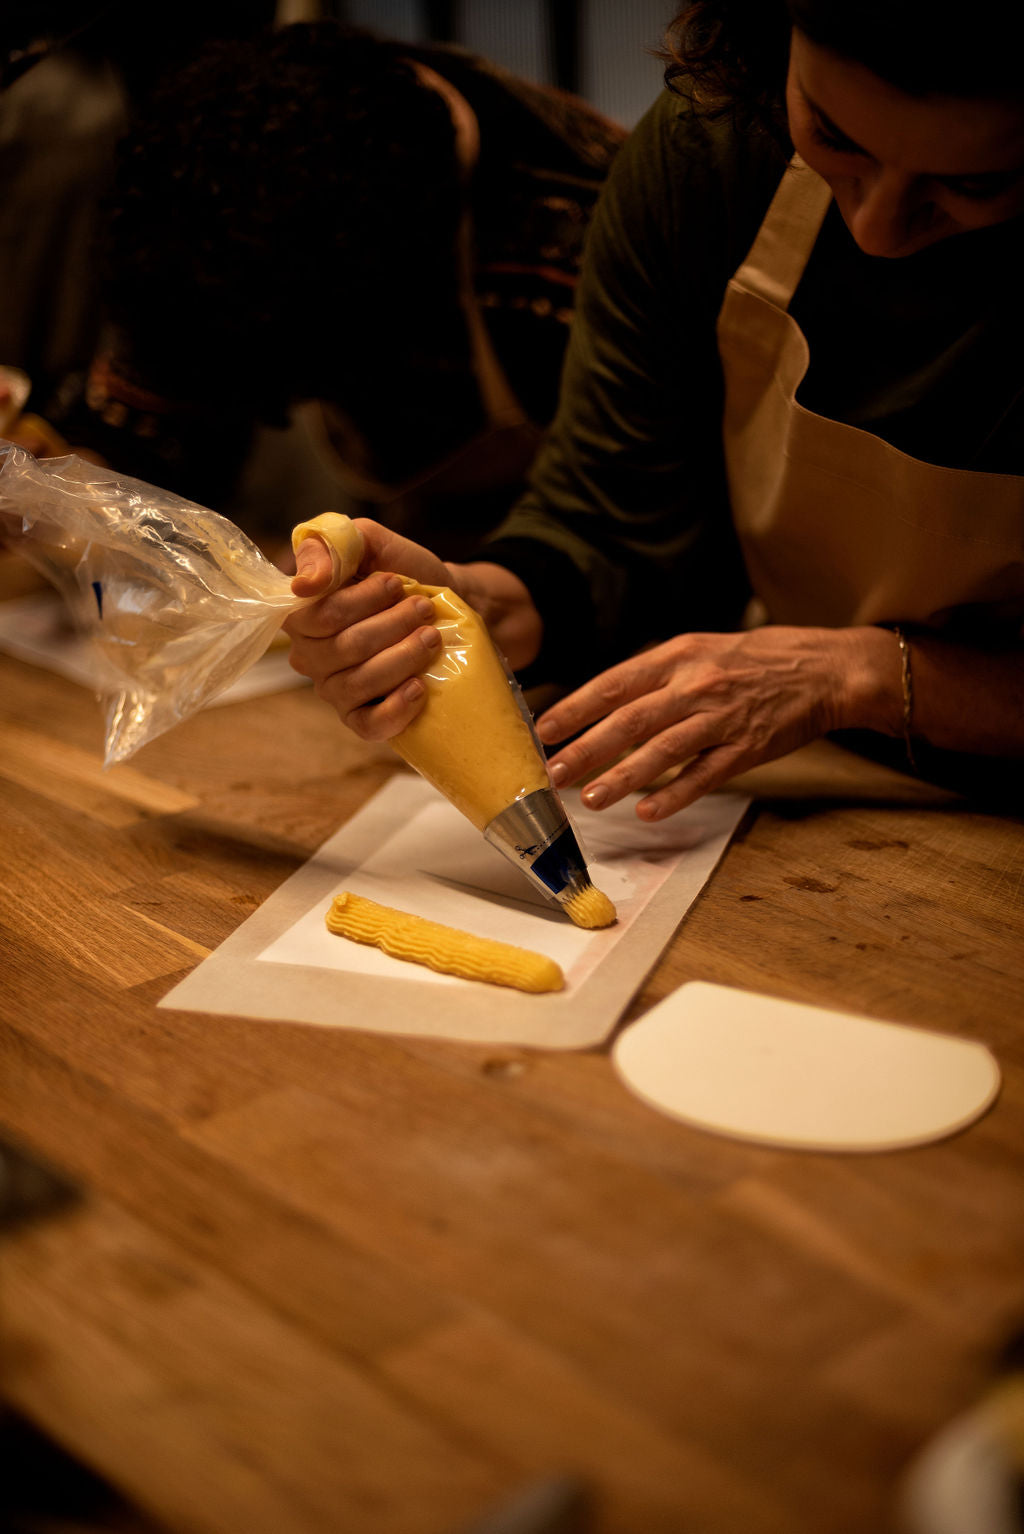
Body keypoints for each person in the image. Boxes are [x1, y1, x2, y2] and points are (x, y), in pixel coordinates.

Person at [285, 0, 1024, 820]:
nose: (879, 229)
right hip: (826, 785)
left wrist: (860, 675)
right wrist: (473, 604)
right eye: (835, 138)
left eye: (972, 184)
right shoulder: (711, 150)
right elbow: (611, 521)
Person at [58, 21, 625, 550]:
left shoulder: (579, 238)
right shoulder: (250, 148)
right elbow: (178, 353)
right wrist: (80, 471)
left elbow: (624, 524)